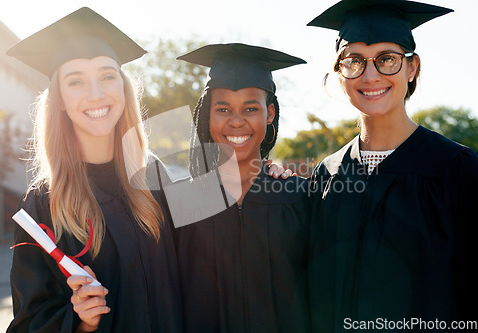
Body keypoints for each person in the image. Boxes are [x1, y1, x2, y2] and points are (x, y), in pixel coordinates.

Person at [303, 0, 478, 331]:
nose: (370, 76)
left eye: (387, 59)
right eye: (353, 61)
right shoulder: (326, 176)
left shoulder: (459, 171)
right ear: (340, 74)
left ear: (412, 68)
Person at [6, 7, 182, 332]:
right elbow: (29, 322)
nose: (96, 94)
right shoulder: (42, 205)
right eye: (76, 81)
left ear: (123, 87)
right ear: (59, 99)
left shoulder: (157, 178)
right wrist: (79, 322)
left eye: (107, 75)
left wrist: (266, 178)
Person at [172, 43, 311, 333]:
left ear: (270, 113)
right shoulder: (179, 204)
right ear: (207, 114)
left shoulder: (302, 199)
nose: (237, 121)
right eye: (223, 109)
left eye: (250, 108)